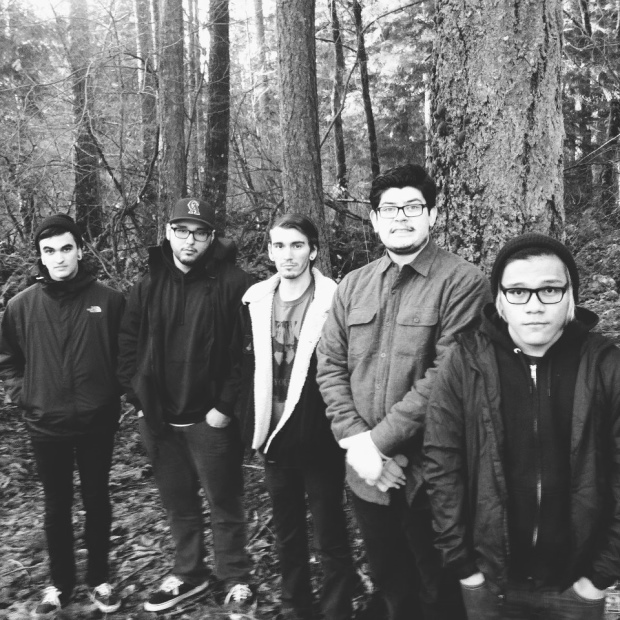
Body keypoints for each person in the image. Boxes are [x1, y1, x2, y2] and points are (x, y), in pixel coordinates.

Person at [316, 163, 490, 620]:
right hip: (367, 477)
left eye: (413, 206)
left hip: (433, 476)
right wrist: (359, 445)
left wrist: (379, 445)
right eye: (389, 209)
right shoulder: (352, 286)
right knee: (390, 581)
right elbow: (329, 366)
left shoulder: (463, 282)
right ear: (374, 219)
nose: (401, 217)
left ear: (432, 214)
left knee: (439, 591)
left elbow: (448, 376)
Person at [424, 233, 620, 620]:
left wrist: (601, 574)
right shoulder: (464, 362)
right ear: (499, 299)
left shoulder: (606, 365)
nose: (533, 305)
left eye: (549, 289)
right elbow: (441, 464)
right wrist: (464, 566)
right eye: (517, 292)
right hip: (489, 581)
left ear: (570, 296)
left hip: (576, 584)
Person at [117, 198, 255, 615]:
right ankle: (189, 573)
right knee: (179, 505)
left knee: (224, 502)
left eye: (199, 232)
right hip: (160, 419)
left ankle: (236, 578)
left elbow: (245, 352)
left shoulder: (235, 284)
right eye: (181, 231)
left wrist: (224, 407)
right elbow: (127, 344)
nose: (189, 240)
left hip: (210, 420)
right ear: (168, 233)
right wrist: (140, 402)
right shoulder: (148, 284)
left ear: (211, 238)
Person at [0, 214, 125, 618]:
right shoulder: (20, 306)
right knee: (56, 506)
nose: (59, 258)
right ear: (40, 256)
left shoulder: (109, 300)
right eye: (49, 251)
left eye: (66, 248)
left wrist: (112, 396)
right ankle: (60, 584)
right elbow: (8, 359)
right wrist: (24, 396)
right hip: (46, 423)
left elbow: (125, 357)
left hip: (96, 422)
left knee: (97, 499)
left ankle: (100, 579)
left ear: (80, 251)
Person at [235, 214, 355, 620]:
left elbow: (345, 367)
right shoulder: (254, 302)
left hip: (319, 436)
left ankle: (337, 609)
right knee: (287, 533)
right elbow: (240, 365)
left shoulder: (334, 300)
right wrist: (247, 418)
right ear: (270, 251)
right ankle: (295, 606)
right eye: (279, 246)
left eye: (297, 245)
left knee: (330, 532)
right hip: (273, 435)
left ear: (313, 251)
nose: (288, 255)